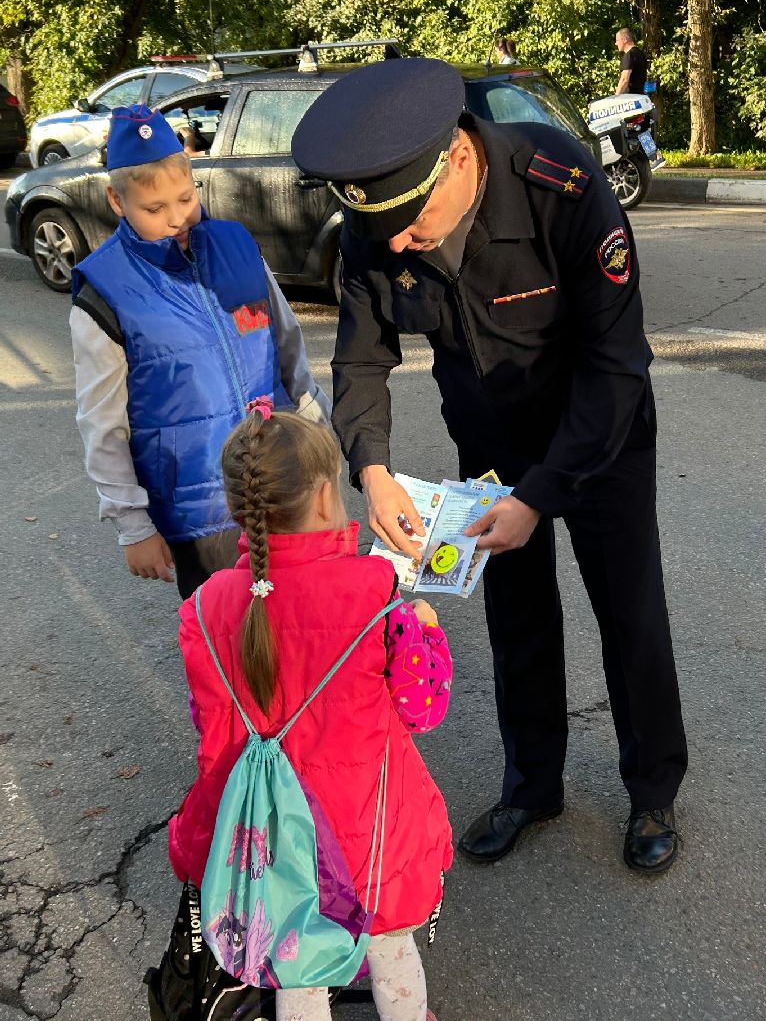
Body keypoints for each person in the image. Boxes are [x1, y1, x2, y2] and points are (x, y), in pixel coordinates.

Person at [291, 57, 687, 873]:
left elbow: (618, 365)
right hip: (494, 449)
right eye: (384, 228)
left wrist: (542, 497)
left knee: (630, 617)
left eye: (411, 220)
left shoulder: (560, 182)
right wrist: (373, 471)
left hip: (602, 438)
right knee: (519, 621)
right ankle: (532, 787)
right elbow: (360, 362)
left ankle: (652, 791)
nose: (397, 241)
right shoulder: (380, 220)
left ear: (461, 159)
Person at [169, 404, 453, 1021]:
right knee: (389, 942)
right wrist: (427, 633)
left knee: (291, 954)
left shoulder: (206, 605)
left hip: (270, 836)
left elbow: (211, 729)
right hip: (369, 825)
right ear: (327, 496)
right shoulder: (374, 591)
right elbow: (422, 708)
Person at [70, 104, 328, 600]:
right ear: (116, 201)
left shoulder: (237, 245)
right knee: (227, 638)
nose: (176, 219)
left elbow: (287, 343)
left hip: (281, 477)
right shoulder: (105, 291)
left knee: (305, 620)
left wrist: (317, 427)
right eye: (154, 209)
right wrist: (133, 525)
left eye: (185, 199)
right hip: (201, 513)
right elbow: (102, 422)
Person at [615, 28, 648, 96]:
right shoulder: (640, 53)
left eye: (617, 40)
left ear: (625, 39)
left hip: (630, 99)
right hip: (640, 97)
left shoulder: (629, 55)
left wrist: (616, 98)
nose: (616, 43)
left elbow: (624, 80)